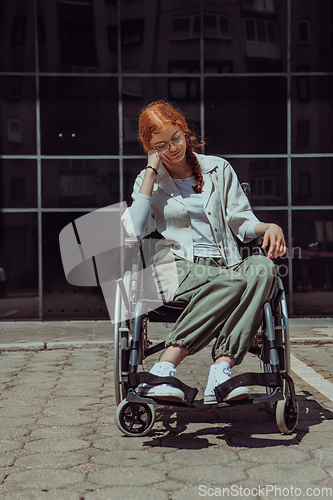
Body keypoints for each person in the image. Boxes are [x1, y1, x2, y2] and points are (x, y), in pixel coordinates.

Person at [121, 100, 286, 404]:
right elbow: (133, 230)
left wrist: (268, 226)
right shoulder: (150, 182)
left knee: (264, 269)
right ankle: (163, 368)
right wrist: (149, 172)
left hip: (224, 265)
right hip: (176, 265)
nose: (172, 148)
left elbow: (241, 221)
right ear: (149, 147)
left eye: (176, 138)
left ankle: (221, 372)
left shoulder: (218, 168)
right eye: (161, 145)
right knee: (231, 282)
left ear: (184, 132)